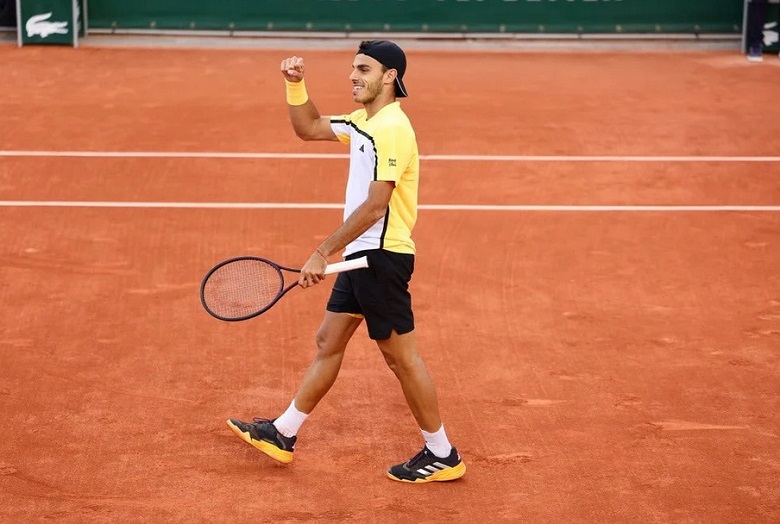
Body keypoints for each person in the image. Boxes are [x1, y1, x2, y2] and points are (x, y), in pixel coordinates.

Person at [227, 40, 466, 483]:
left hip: (381, 257)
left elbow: (377, 205)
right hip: (361, 256)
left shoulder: (392, 128)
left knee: (401, 359)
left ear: (390, 76)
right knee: (328, 341)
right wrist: (296, 85)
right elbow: (309, 127)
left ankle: (442, 452)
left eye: (364, 69)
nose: (353, 76)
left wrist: (322, 251)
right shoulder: (362, 122)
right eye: (353, 68)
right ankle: (283, 432)